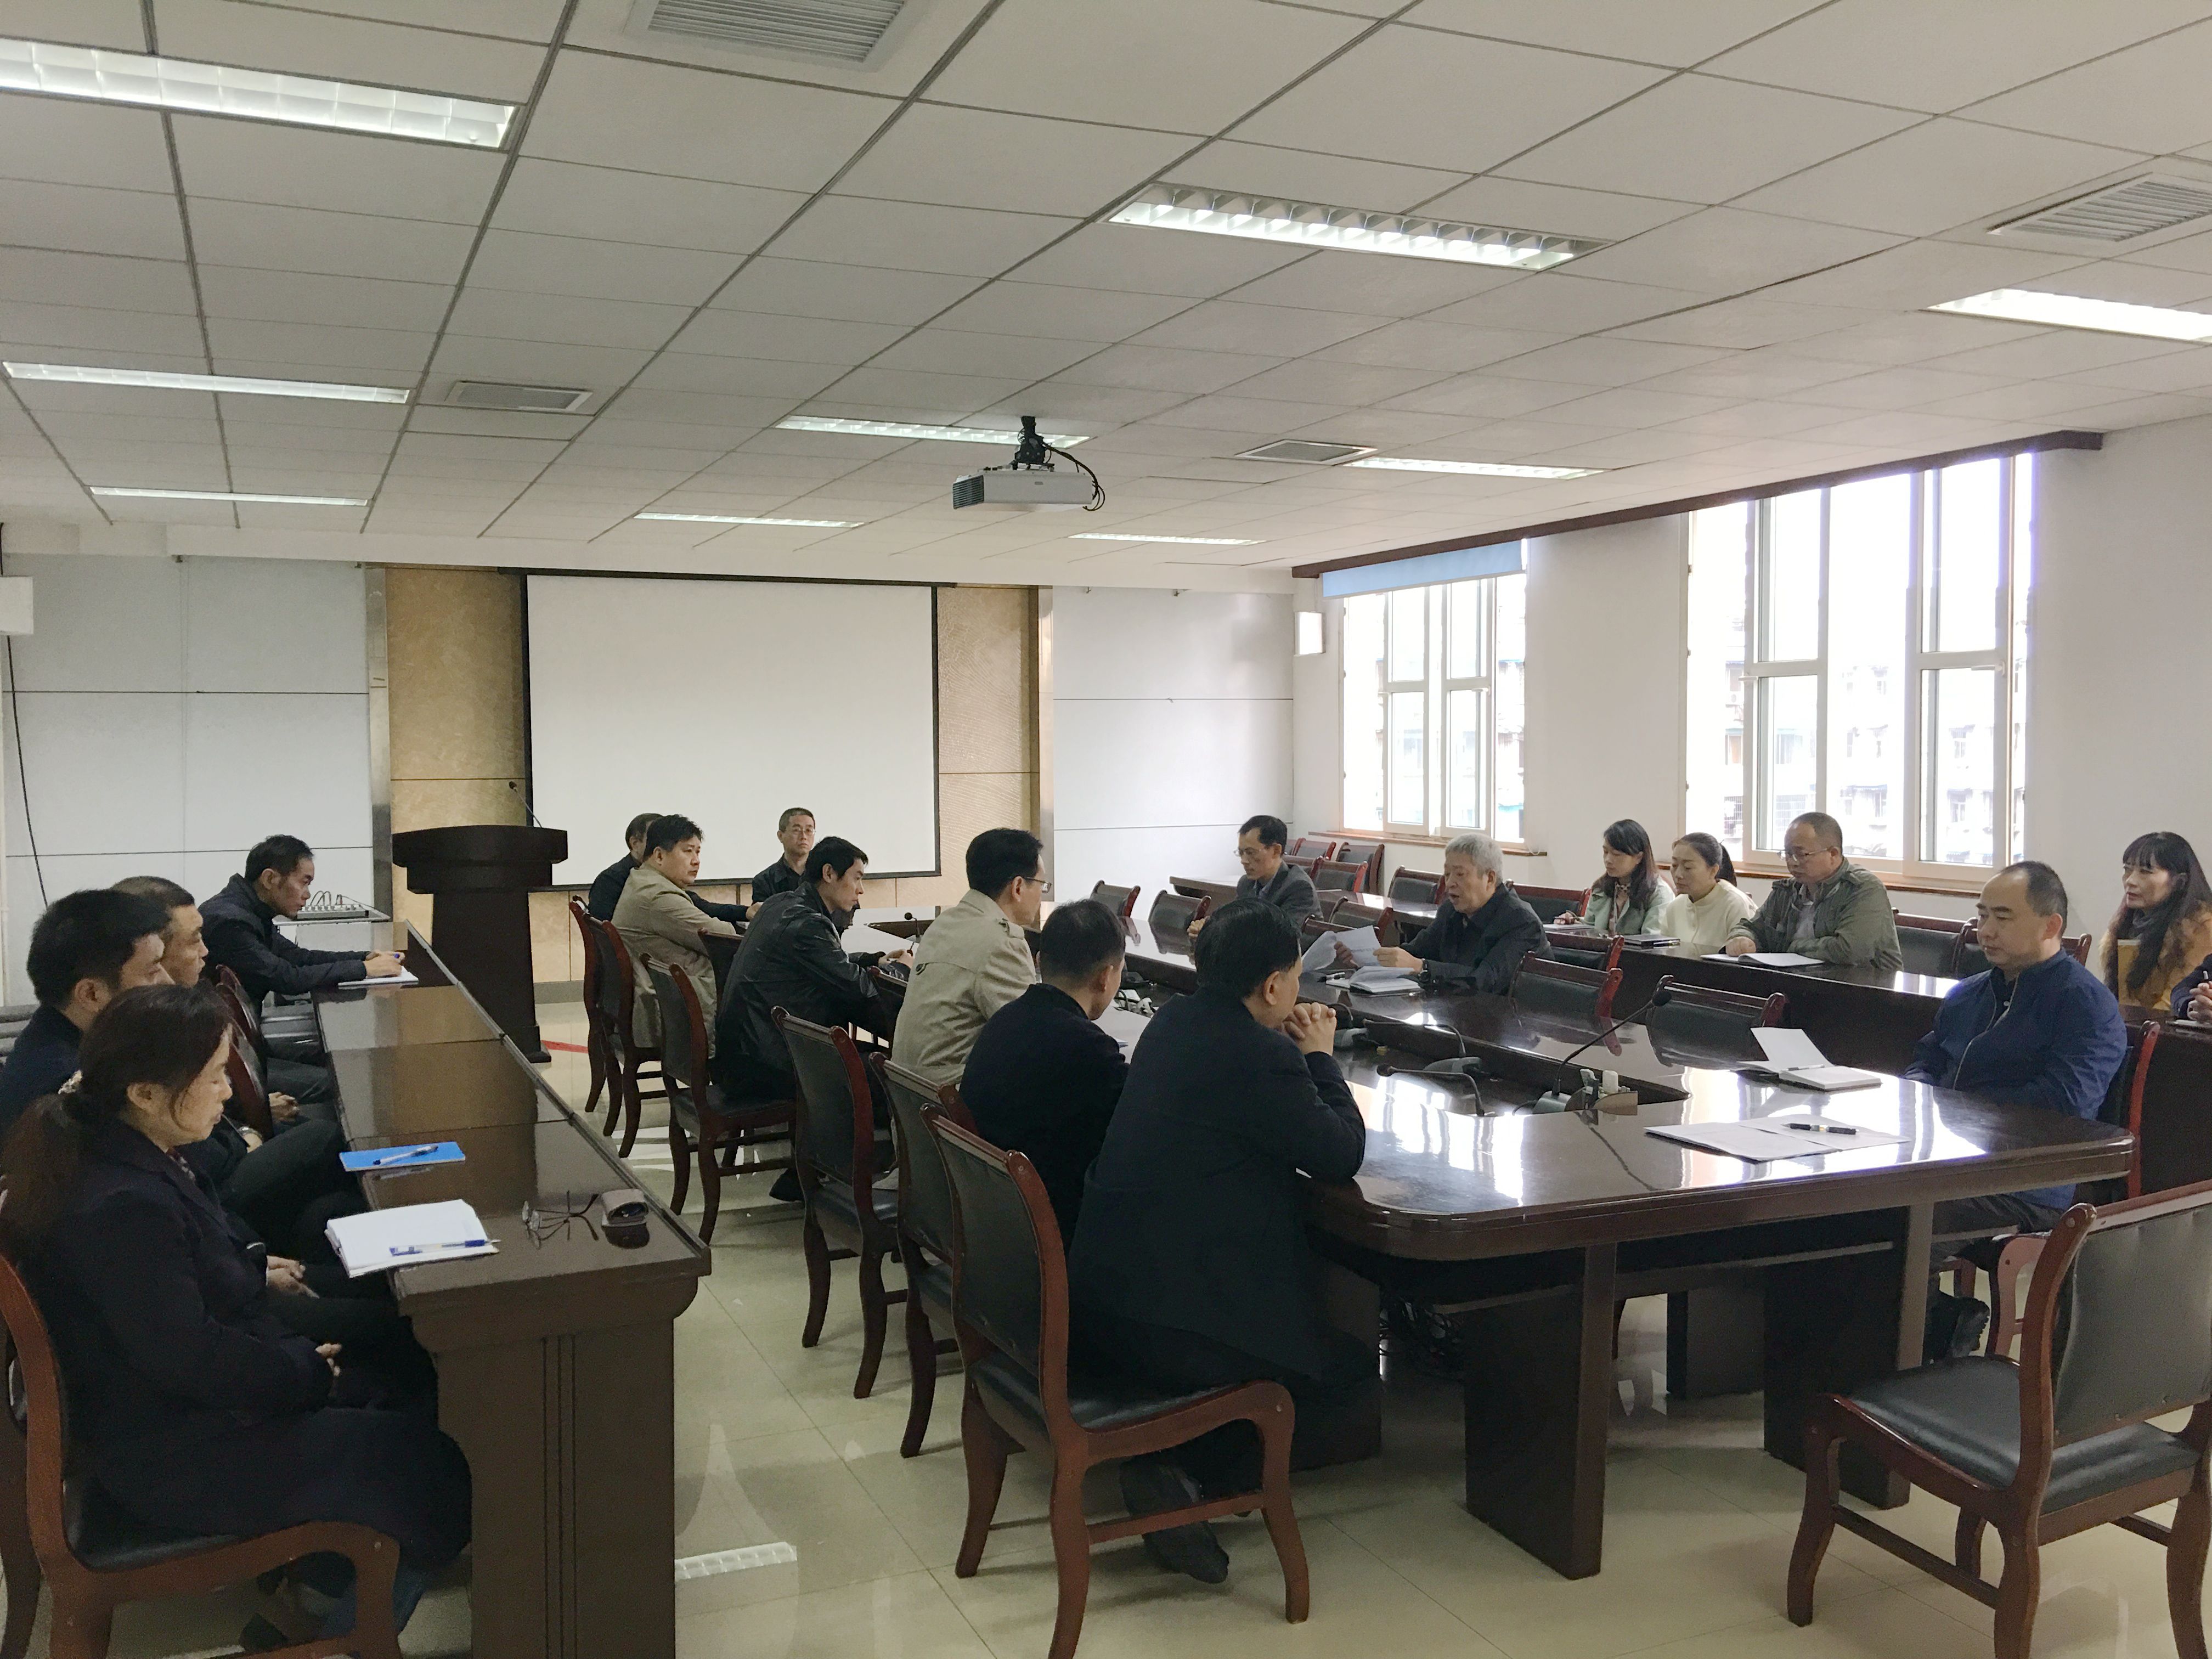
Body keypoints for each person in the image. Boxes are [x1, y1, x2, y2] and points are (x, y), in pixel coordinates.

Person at [1, 985, 469, 1647]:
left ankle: (320, 1591)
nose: (228, 1092)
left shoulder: (123, 1150)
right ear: (146, 1093)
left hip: (187, 1412)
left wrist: (292, 1355)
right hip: (179, 1455)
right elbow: (191, 1356)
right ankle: (345, 1629)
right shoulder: (122, 1206)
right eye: (215, 1076)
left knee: (402, 1390)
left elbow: (197, 1291)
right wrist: (304, 1372)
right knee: (432, 1462)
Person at [1070, 899, 1368, 1584]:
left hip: (1106, 1298)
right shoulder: (1263, 1056)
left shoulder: (1171, 1023)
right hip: (1175, 1324)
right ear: (1274, 985)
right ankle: (1184, 1474)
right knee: (1346, 1373)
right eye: (1296, 977)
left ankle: (1174, 1464)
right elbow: (1340, 1152)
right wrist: (1321, 1060)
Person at [1905, 863, 2127, 1357]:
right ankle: (1938, 1324)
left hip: (2026, 1181)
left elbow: (2064, 1106)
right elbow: (1927, 1059)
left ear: (2052, 925)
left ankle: (1913, 1354)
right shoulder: (1970, 993)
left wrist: (1959, 1110)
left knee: (1902, 1225)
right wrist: (1917, 1092)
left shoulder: (2084, 1005)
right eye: (1982, 915)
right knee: (1849, 1213)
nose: (1985, 931)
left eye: (2002, 917)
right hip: (1948, 1163)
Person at [960, 899, 1128, 1240]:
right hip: (1046, 1232)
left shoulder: (1003, 1021)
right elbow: (1134, 1137)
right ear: (1105, 977)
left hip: (987, 1220)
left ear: (1039, 961)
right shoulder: (1090, 1052)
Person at [115, 874, 337, 1113]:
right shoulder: (140, 1030)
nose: (205, 951)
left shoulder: (182, 1002)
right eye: (194, 941)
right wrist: (250, 1116)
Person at [715, 836, 906, 1105]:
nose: (861, 890)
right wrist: (901, 969)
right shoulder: (808, 924)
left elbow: (827, 963)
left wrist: (873, 960)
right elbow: (861, 990)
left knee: (877, 1060)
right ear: (829, 874)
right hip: (769, 1066)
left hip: (746, 1053)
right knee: (899, 1076)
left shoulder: (780, 903)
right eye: (857, 878)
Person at [0, 890, 173, 1139]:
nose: (168, 983)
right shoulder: (71, 1093)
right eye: (152, 972)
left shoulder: (89, 1039)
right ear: (92, 994)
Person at [889, 828, 1042, 1087]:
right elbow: (1030, 1041)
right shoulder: (1002, 941)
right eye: (1041, 885)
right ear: (1018, 887)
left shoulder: (944, 923)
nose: (1041, 894)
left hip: (909, 1092)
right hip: (952, 1100)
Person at [201, 837, 403, 1007]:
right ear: (270, 879)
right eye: (304, 883)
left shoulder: (251, 910)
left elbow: (298, 957)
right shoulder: (231, 922)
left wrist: (365, 958)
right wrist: (365, 969)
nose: (307, 895)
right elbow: (287, 979)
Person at [611, 814, 740, 1051]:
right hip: (672, 1003)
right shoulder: (657, 896)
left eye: (698, 852)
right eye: (688, 851)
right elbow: (721, 939)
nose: (696, 861)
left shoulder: (643, 880)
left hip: (666, 992)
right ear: (659, 856)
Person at [1369, 832, 1549, 992]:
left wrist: (1422, 967)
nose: (1449, 884)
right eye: (1447, 875)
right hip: (1455, 1011)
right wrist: (1373, 959)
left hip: (1509, 1017)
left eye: (1460, 875)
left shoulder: (1521, 922)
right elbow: (1417, 951)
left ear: (1490, 878)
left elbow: (1485, 980)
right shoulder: (1451, 911)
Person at [1724, 811, 1902, 970]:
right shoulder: (1787, 891)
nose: (1792, 862)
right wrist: (1742, 938)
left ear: (1833, 854)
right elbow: (1752, 927)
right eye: (1788, 854)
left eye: (1801, 855)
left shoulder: (1863, 888)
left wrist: (1794, 947)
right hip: (1800, 984)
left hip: (1864, 989)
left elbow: (1849, 950)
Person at [2097, 831, 2212, 1015]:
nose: (2130, 881)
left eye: (2146, 871)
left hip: (2165, 1027)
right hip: (2132, 1024)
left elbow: (2173, 1002)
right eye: (2127, 869)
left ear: (2180, 881)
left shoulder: (2200, 926)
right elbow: (2120, 997)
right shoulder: (2128, 921)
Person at [587, 811, 746, 925]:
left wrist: (744, 912)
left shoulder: (659, 877)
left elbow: (698, 906)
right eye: (654, 838)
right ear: (635, 844)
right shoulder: (612, 881)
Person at [1655, 833, 1757, 958]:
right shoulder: (1675, 906)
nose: (1678, 875)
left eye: (1688, 868)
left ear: (1713, 870)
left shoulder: (1735, 905)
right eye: (1675, 865)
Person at [1573, 819, 1673, 935]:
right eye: (1605, 852)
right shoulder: (1601, 888)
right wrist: (1573, 923)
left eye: (1616, 854)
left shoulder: (1658, 894)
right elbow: (1589, 931)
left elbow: (1651, 941)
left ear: (1639, 857)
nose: (1608, 860)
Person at [1227, 815, 1318, 924]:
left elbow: (1285, 933)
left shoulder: (1298, 888)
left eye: (1251, 853)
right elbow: (1233, 922)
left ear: (1276, 851)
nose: (1244, 861)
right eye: (1241, 853)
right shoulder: (1246, 884)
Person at [751, 807, 817, 905]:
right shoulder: (764, 881)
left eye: (809, 830)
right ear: (781, 836)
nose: (804, 837)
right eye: (797, 830)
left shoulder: (824, 875)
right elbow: (763, 914)